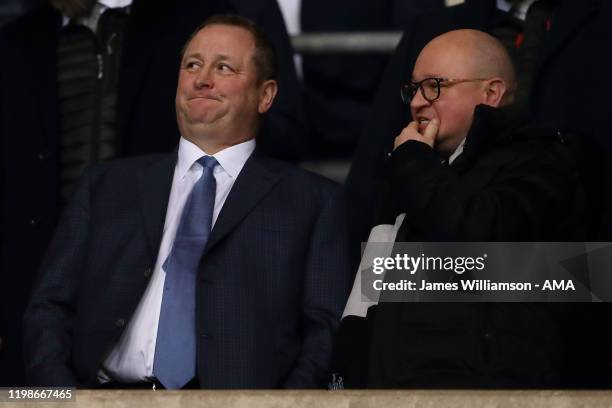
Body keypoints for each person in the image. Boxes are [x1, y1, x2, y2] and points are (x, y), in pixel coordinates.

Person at [23, 14, 350, 389]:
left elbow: (326, 329)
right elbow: (49, 307)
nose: (202, 79)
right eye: (192, 64)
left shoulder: (313, 202)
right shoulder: (105, 185)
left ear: (266, 95)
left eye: (223, 67)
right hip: (105, 396)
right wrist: (64, 399)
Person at [333, 29, 610, 389]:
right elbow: (367, 298)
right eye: (413, 89)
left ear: (491, 93)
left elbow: (479, 242)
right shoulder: (408, 171)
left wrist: (414, 163)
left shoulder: (546, 160)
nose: (417, 101)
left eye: (434, 85)